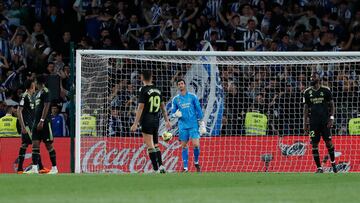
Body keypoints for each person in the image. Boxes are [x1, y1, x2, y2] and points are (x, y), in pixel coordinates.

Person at [130, 70, 171, 173]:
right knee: (156, 144)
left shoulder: (143, 90)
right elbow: (163, 107)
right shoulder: (158, 90)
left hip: (146, 119)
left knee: (150, 145)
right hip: (156, 119)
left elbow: (140, 107)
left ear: (142, 77)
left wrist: (135, 123)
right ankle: (161, 166)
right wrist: (167, 120)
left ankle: (155, 169)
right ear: (151, 77)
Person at [303, 72, 337, 173]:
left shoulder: (326, 90)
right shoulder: (307, 92)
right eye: (311, 77)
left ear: (319, 78)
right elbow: (305, 108)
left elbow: (332, 104)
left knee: (329, 143)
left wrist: (331, 118)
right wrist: (305, 123)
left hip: (325, 122)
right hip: (313, 123)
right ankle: (319, 168)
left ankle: (333, 163)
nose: (311, 79)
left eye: (313, 77)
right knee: (314, 144)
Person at [25, 75, 58, 174]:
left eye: (35, 81)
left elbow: (47, 105)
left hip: (44, 122)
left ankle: (54, 168)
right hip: (36, 123)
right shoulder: (36, 94)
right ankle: (35, 168)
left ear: (38, 82)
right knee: (35, 145)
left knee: (48, 145)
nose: (34, 83)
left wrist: (42, 120)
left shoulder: (46, 91)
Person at [171, 79, 206, 172]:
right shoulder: (176, 99)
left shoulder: (192, 97)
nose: (180, 85)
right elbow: (172, 113)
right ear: (178, 86)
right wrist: (175, 115)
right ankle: (185, 167)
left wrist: (201, 121)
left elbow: (198, 109)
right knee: (184, 146)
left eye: (182, 83)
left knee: (196, 145)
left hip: (193, 124)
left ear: (185, 85)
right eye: (179, 84)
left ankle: (196, 162)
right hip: (182, 125)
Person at [17, 79, 49, 174]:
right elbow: (19, 111)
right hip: (26, 125)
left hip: (32, 124)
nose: (35, 85)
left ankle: (20, 169)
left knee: (26, 144)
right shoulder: (24, 96)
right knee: (34, 144)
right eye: (34, 84)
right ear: (31, 86)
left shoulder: (33, 96)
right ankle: (41, 167)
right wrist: (23, 126)